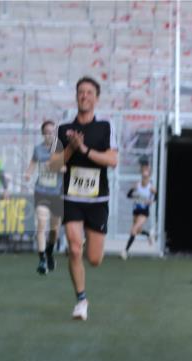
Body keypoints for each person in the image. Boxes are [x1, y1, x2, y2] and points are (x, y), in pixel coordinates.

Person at [48, 76, 118, 321]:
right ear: (76, 96)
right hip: (72, 198)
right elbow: (54, 165)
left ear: (96, 98)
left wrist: (85, 149)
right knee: (75, 249)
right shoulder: (63, 130)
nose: (84, 96)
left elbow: (113, 160)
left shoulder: (106, 128)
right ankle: (81, 300)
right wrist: (71, 148)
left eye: (89, 92)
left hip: (97, 200)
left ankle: (89, 247)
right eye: (81, 92)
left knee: (94, 259)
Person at [23, 120, 64, 275]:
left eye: (52, 132)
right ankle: (41, 260)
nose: (49, 135)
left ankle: (49, 252)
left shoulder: (61, 150)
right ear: (42, 134)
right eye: (46, 132)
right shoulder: (38, 149)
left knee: (54, 230)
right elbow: (33, 163)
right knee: (41, 224)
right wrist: (28, 173)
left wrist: (57, 167)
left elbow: (67, 167)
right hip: (41, 192)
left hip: (56, 194)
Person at [121, 159, 156, 259]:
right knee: (138, 230)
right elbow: (128, 195)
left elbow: (156, 197)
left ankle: (125, 251)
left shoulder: (151, 187)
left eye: (147, 176)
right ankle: (149, 234)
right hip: (136, 210)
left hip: (144, 212)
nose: (145, 178)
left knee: (133, 230)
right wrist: (135, 196)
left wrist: (151, 201)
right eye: (143, 176)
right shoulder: (137, 185)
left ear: (149, 176)